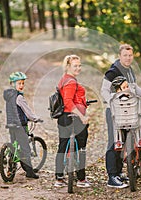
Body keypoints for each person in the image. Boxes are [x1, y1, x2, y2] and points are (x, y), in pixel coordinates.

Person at [101, 44, 141, 188]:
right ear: (120, 56)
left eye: (130, 55)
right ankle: (112, 177)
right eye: (125, 55)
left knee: (124, 143)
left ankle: (119, 171)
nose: (128, 58)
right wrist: (113, 103)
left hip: (129, 110)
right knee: (113, 142)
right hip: (115, 112)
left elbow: (134, 88)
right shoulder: (112, 71)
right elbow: (104, 91)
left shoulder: (130, 71)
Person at [54, 55, 91, 188]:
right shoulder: (71, 82)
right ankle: (81, 179)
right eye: (75, 65)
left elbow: (69, 99)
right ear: (68, 67)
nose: (78, 68)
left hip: (63, 118)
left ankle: (59, 178)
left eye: (79, 65)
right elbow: (68, 102)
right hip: (74, 117)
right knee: (82, 147)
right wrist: (82, 117)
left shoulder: (64, 79)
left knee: (62, 146)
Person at [3, 71, 42, 179]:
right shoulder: (19, 97)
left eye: (22, 83)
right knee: (26, 149)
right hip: (20, 125)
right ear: (13, 84)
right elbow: (27, 111)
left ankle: (11, 165)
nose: (21, 86)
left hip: (11, 124)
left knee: (14, 144)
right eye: (19, 83)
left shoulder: (9, 95)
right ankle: (30, 172)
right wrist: (35, 118)